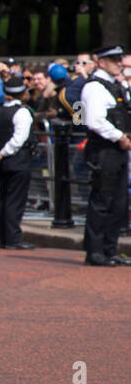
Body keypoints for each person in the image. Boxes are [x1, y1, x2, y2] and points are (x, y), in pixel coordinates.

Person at [78, 44, 131, 266]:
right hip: (104, 149)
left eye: (120, 59)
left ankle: (110, 248)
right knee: (102, 200)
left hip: (118, 149)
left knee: (119, 202)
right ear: (101, 62)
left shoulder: (116, 85)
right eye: (114, 59)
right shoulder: (95, 87)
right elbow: (94, 120)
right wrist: (120, 136)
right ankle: (94, 251)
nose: (119, 63)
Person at [0, 76, 36, 250]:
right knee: (15, 200)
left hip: (0, 161)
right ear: (21, 94)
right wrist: (1, 153)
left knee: (4, 198)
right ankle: (14, 238)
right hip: (17, 160)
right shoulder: (22, 112)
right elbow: (18, 139)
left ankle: (4, 238)